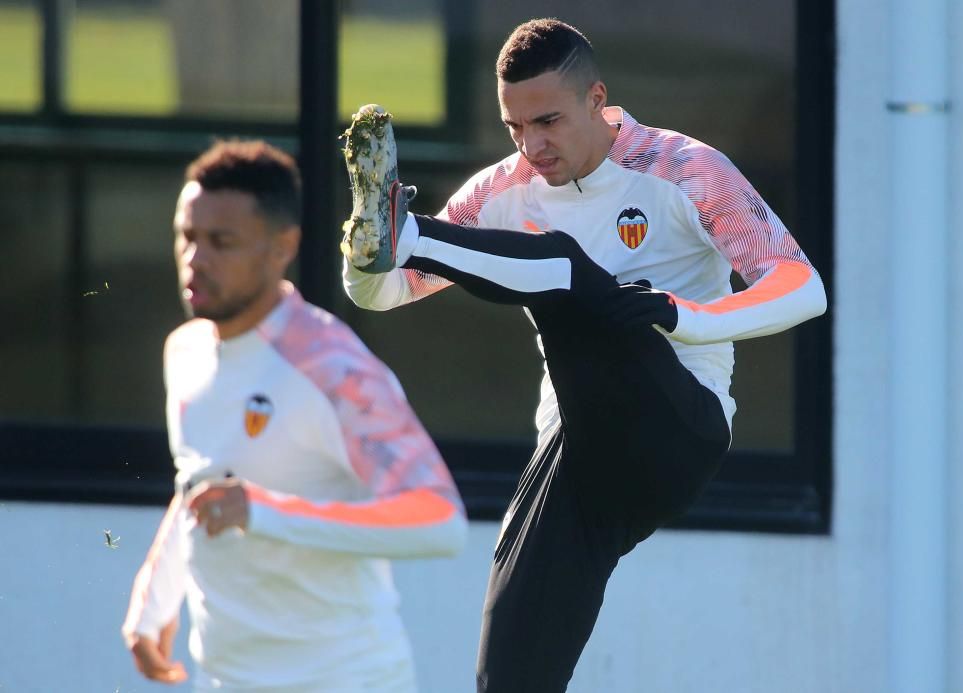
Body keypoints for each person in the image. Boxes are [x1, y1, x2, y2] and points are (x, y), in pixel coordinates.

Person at [340, 17, 827, 693]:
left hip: (676, 430)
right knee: (507, 675)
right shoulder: (501, 190)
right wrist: (364, 258)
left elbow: (803, 287)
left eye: (548, 121)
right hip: (577, 459)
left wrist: (685, 317)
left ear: (597, 99)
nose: (532, 145)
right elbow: (387, 290)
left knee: (565, 270)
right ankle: (403, 229)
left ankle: (408, 228)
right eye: (514, 128)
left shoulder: (683, 167)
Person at [121, 140, 468, 692]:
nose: (195, 259)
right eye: (187, 236)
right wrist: (153, 601)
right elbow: (200, 483)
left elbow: (439, 520)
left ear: (282, 247)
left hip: (346, 679)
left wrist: (264, 512)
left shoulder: (333, 368)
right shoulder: (183, 352)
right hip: (224, 678)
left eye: (221, 242)